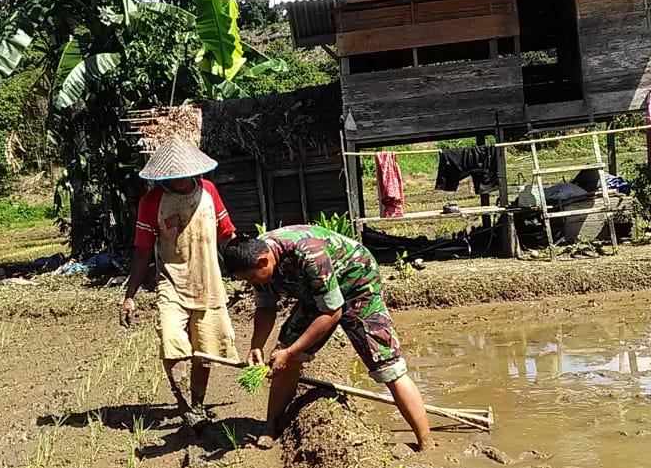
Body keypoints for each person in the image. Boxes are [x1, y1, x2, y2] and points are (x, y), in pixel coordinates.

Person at [222, 225, 434, 451]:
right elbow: (266, 308)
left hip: (357, 286)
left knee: (387, 367)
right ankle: (271, 425)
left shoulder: (308, 253)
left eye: (251, 279)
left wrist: (291, 351)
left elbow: (332, 313)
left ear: (264, 262)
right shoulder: (253, 257)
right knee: (285, 361)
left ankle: (425, 440)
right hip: (317, 294)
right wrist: (257, 346)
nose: (251, 284)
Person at [120, 136, 236, 427]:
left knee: (207, 350)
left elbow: (226, 234)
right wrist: (129, 295)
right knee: (172, 342)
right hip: (171, 283)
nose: (183, 180)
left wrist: (244, 269)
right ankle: (183, 400)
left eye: (187, 174)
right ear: (165, 176)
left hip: (209, 282)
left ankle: (197, 404)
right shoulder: (151, 202)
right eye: (176, 176)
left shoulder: (208, 191)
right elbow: (143, 249)